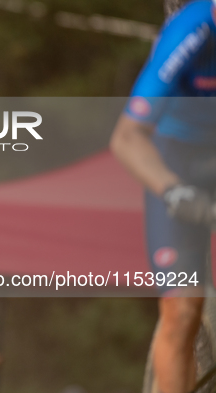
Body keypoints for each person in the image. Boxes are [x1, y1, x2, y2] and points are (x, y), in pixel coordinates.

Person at [110, 1, 216, 392]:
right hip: (176, 165)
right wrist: (176, 192)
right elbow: (126, 139)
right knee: (183, 312)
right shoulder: (192, 32)